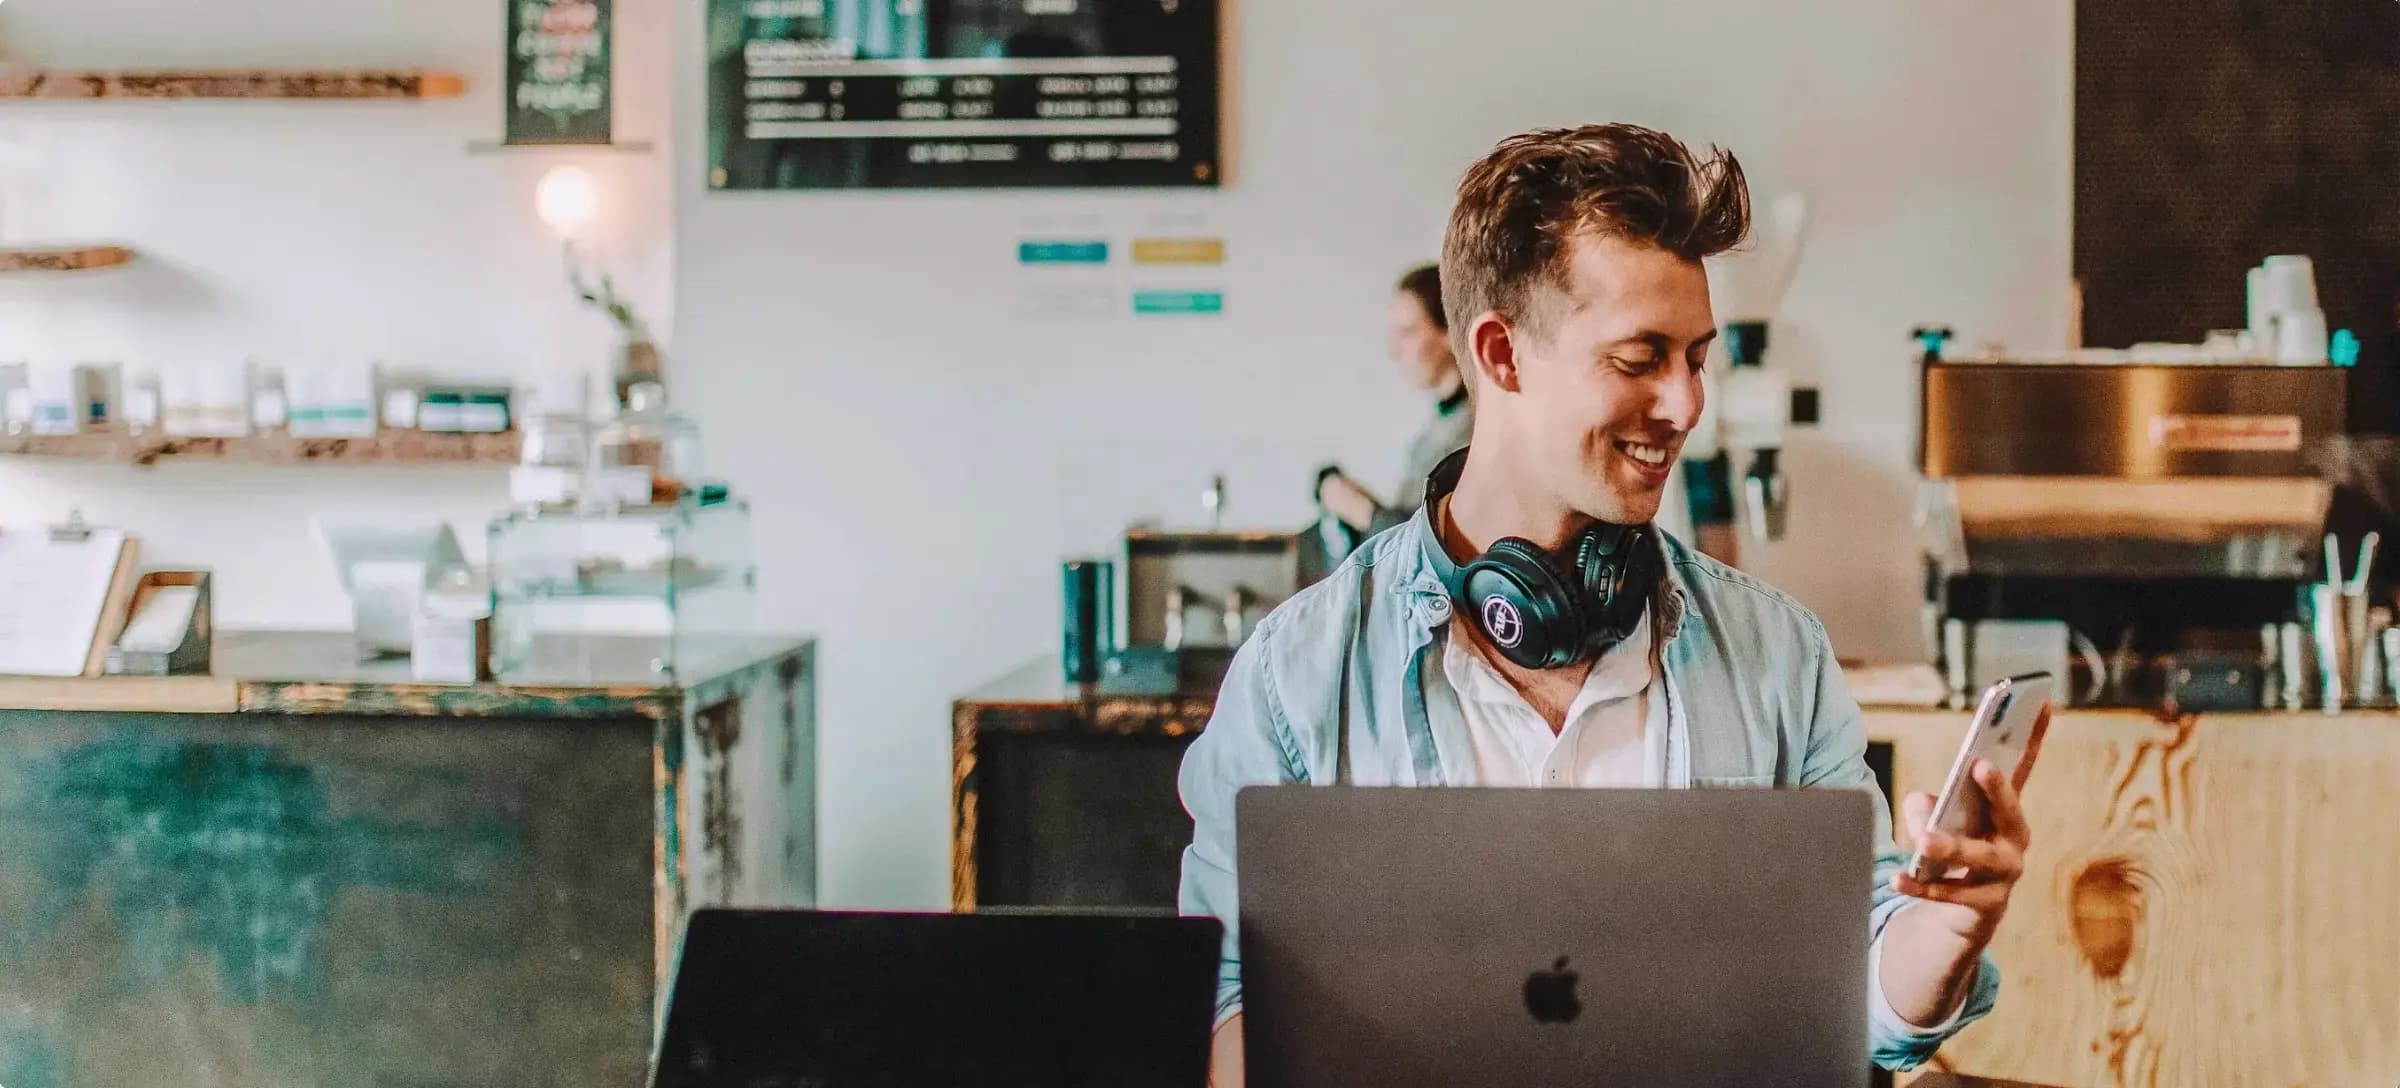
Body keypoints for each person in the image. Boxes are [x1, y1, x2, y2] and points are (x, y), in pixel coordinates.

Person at [1178, 124, 2025, 1085]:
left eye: (1696, 357)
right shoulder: (1298, 675)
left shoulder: (1777, 652)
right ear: (1500, 355)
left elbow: (1861, 987)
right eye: (1639, 358)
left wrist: (1946, 929)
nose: (1684, 404)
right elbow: (1226, 1002)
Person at [1313, 265, 1475, 545]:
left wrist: (1361, 511)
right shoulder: (1443, 421)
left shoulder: (1476, 429)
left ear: (1450, 332)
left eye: (1407, 332)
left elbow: (1435, 547)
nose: (1394, 351)